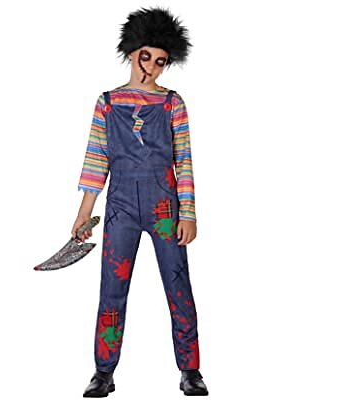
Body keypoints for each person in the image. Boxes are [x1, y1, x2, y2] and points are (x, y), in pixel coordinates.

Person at [71, 7, 209, 397]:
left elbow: (184, 160)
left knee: (178, 285)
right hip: (120, 207)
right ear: (132, 52)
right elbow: (96, 159)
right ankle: (103, 371)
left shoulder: (172, 104)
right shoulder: (107, 102)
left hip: (165, 205)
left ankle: (190, 369)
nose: (150, 67)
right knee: (111, 288)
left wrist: (188, 213)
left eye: (160, 61)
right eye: (145, 56)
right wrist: (84, 212)